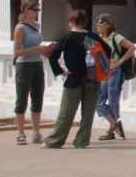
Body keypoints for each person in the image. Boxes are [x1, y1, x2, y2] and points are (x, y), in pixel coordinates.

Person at [42, 8, 113, 149]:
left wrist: (61, 71)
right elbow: (108, 50)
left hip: (73, 78)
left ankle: (55, 141)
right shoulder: (93, 36)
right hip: (93, 78)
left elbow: (53, 56)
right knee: (88, 114)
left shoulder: (66, 37)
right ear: (85, 22)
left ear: (71, 21)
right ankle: (82, 141)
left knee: (66, 113)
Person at [11, 0, 52, 144]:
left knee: (37, 98)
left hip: (37, 64)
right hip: (24, 66)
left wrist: (44, 50)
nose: (36, 13)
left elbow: (38, 45)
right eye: (34, 10)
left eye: (38, 10)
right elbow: (17, 52)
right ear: (26, 10)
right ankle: (21, 133)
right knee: (22, 99)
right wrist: (36, 49)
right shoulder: (20, 28)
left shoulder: (37, 26)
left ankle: (36, 132)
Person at [94, 13, 136, 140]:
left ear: (108, 25)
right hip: (105, 71)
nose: (98, 25)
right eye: (98, 22)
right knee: (98, 100)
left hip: (115, 71)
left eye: (101, 23)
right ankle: (115, 124)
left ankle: (111, 131)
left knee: (113, 100)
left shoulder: (116, 37)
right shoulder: (100, 38)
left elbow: (132, 47)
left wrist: (120, 61)